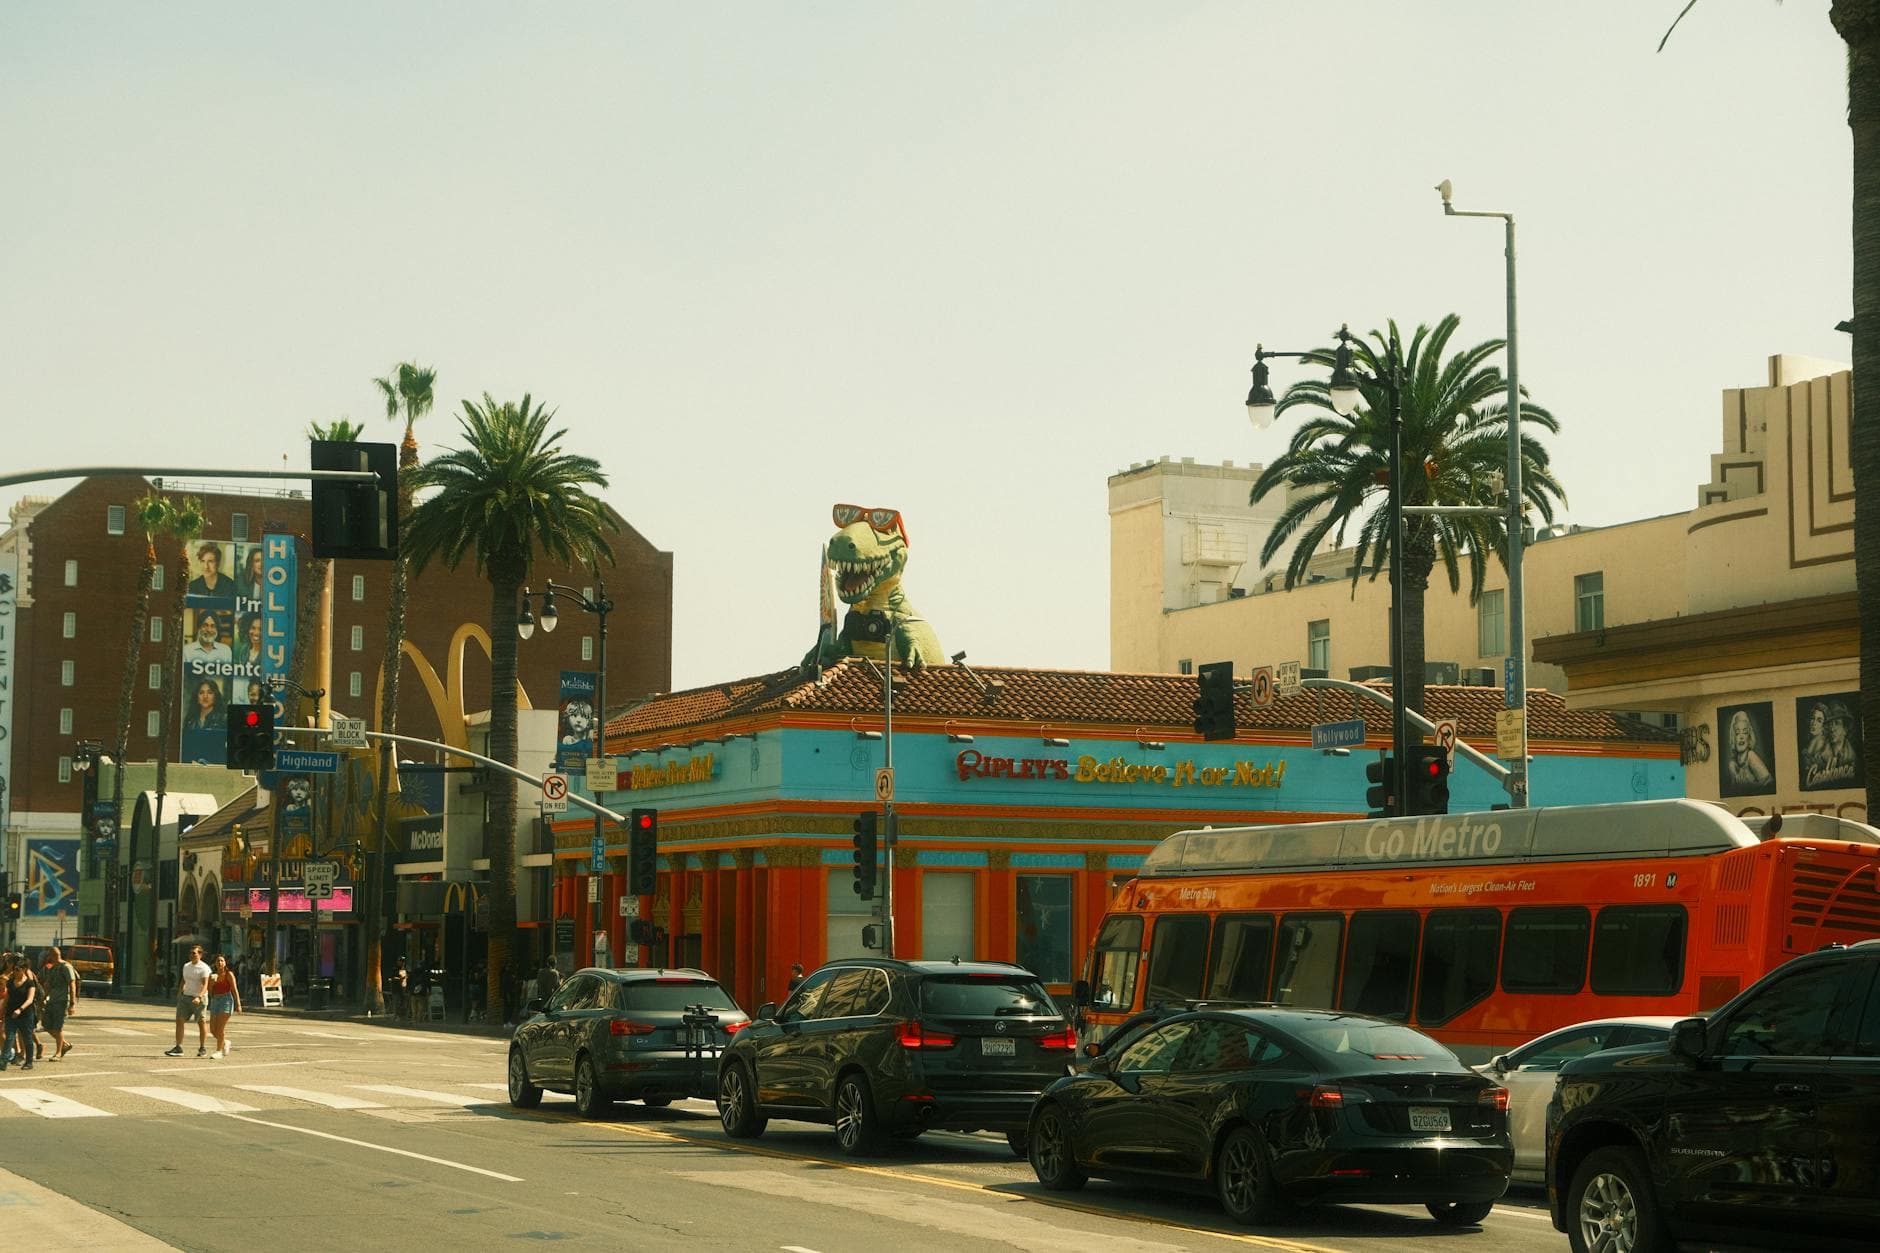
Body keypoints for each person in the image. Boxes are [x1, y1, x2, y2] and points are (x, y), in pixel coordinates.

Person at [167, 944, 212, 1057]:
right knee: (179, 1020)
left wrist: (199, 997)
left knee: (201, 1022)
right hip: (186, 997)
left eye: (194, 953)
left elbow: (205, 984)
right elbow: (184, 980)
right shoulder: (186, 966)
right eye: (190, 953)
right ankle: (178, 1047)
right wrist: (180, 992)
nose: (191, 955)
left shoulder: (204, 968)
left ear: (200, 955)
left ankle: (202, 1047)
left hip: (199, 999)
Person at [39, 946, 78, 1061]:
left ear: (54, 955)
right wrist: (43, 1000)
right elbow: (48, 986)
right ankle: (65, 1045)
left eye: (49, 955)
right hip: (52, 1001)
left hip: (61, 1001)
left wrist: (72, 1003)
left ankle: (58, 1053)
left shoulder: (66, 967)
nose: (48, 958)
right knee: (46, 1025)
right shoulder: (52, 968)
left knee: (58, 1027)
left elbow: (72, 985)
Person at [1724, 709, 1773, 791]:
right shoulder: (1732, 765)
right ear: (1733, 738)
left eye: (1745, 732)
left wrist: (1751, 785)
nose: (1741, 736)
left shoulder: (1751, 756)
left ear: (1749, 737)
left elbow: (1770, 785)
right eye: (1737, 733)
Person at [5, 955, 39, 1070]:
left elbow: (30, 999)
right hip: (10, 1014)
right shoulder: (10, 982)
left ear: (24, 969)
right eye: (14, 969)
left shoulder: (30, 983)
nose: (15, 972)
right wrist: (3, 1012)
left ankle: (29, 1062)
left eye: (17, 970)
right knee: (9, 1038)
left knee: (27, 1038)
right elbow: (7, 999)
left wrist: (20, 1009)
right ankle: (3, 1061)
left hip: (25, 1015)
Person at [206, 954, 241, 1058]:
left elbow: (234, 990)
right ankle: (225, 1042)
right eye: (218, 961)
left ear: (225, 963)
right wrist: (211, 984)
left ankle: (218, 1051)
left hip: (226, 1000)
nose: (220, 963)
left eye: (222, 961)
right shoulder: (212, 975)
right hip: (215, 1000)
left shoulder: (229, 974)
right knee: (213, 1030)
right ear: (215, 964)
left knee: (220, 1028)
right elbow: (210, 992)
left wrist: (238, 1004)